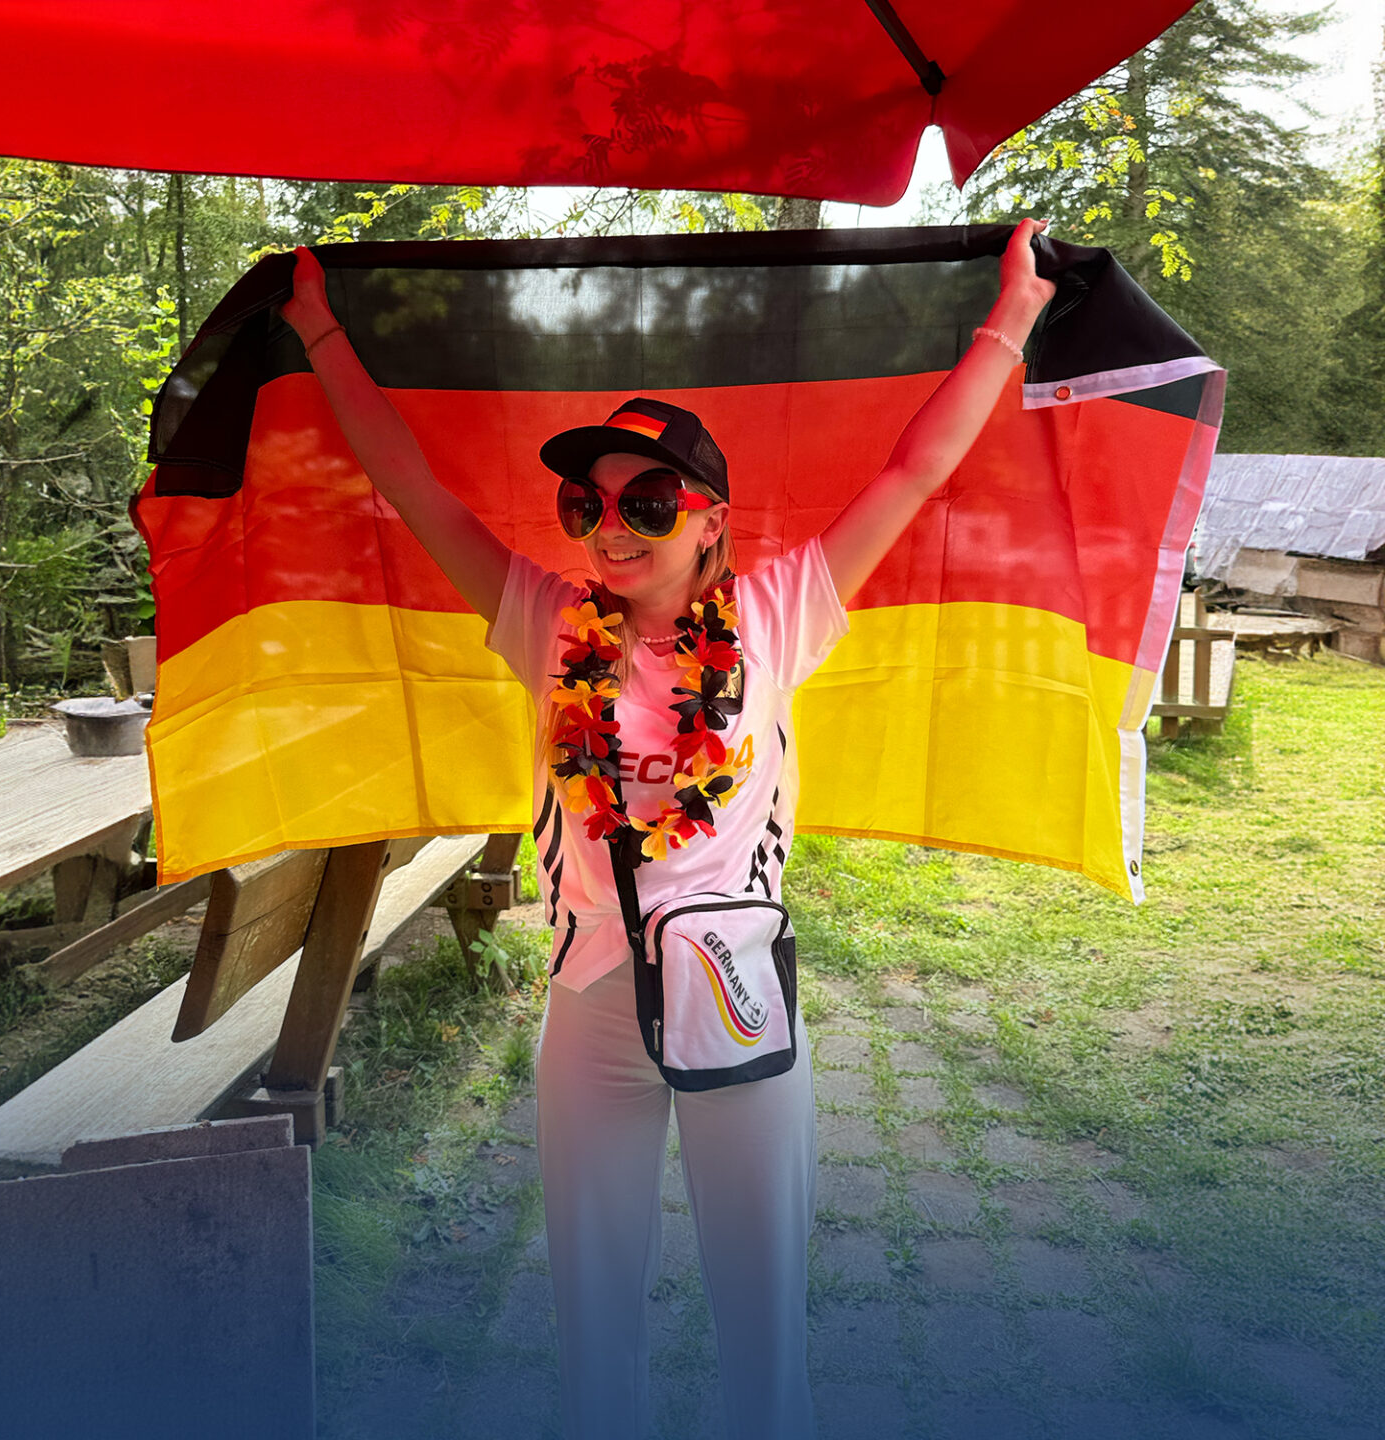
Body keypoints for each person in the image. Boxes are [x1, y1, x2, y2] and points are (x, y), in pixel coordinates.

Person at [282, 217, 1056, 1440]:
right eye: (586, 501)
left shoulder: (778, 609)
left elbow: (914, 473)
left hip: (736, 993)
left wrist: (1010, 319)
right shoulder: (544, 620)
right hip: (589, 1004)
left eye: (648, 497)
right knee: (593, 1331)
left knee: (763, 1334)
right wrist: (322, 332)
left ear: (708, 517)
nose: (612, 522)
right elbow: (412, 487)